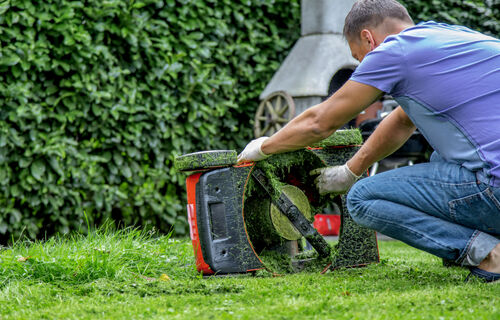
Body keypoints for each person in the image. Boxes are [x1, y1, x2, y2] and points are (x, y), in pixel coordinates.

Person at [237, 0, 500, 282]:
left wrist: (264, 146)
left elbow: (320, 122)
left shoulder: (395, 51)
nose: (362, 66)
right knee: (442, 158)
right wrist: (350, 170)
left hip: (494, 187)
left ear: (368, 38)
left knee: (362, 198)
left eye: (359, 57)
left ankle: (490, 255)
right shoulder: (447, 35)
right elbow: (402, 120)